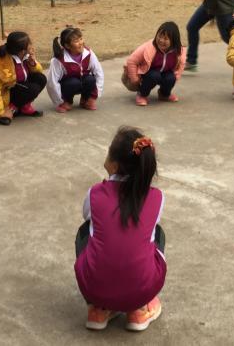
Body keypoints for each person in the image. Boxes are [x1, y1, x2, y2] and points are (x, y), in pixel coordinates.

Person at [74, 127, 166, 332]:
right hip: (141, 290)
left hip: (95, 289)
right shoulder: (156, 197)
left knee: (85, 231)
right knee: (156, 233)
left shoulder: (96, 193)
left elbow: (89, 219)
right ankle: (139, 310)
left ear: (114, 165)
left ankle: (97, 309)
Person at [124, 22, 187, 106]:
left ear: (173, 41)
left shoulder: (179, 51)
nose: (161, 40)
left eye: (165, 39)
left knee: (171, 77)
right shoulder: (148, 47)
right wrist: (135, 79)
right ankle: (142, 94)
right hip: (147, 74)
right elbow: (131, 61)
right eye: (159, 36)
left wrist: (176, 77)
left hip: (165, 72)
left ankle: (164, 94)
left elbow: (181, 65)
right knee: (154, 75)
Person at [0, 31, 47, 125]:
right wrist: (0, 112)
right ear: (22, 50)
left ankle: (24, 106)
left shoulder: (25, 56)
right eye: (29, 43)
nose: (32, 45)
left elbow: (39, 70)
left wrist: (32, 63)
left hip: (20, 86)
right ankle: (11, 107)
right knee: (32, 89)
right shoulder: (4, 62)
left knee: (41, 78)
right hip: (8, 91)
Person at [47, 27, 105, 113]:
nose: (81, 43)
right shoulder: (58, 59)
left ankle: (85, 100)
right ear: (67, 46)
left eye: (81, 39)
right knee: (73, 82)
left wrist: (93, 96)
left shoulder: (89, 53)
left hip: (83, 82)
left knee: (90, 79)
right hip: (68, 86)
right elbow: (52, 82)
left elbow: (99, 72)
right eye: (76, 41)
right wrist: (59, 101)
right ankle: (67, 101)